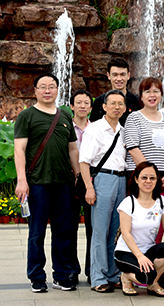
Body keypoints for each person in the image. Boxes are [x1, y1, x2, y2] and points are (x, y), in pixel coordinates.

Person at [14, 73, 80, 293]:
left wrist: (78, 176)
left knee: (63, 232)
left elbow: (73, 149)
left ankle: (61, 276)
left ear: (57, 90)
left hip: (63, 183)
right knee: (37, 233)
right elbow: (19, 149)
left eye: (51, 86)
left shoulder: (65, 115)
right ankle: (36, 276)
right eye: (42, 87)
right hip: (37, 183)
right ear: (35, 91)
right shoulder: (27, 116)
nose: (47, 90)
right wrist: (22, 180)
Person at [78, 89, 127, 293]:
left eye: (120, 104)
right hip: (103, 179)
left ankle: (113, 275)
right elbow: (83, 161)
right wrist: (89, 188)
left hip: (121, 180)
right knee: (99, 231)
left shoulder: (123, 130)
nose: (117, 107)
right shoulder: (95, 129)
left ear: (125, 108)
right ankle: (98, 277)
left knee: (116, 231)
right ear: (104, 106)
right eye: (113, 103)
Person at [114, 162, 164, 297]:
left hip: (148, 250)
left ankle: (153, 283)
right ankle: (126, 277)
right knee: (146, 276)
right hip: (127, 252)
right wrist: (140, 256)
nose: (148, 181)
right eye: (144, 177)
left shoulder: (161, 201)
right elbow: (125, 233)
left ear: (157, 180)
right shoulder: (128, 203)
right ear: (136, 179)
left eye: (152, 178)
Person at [123, 77, 164, 187]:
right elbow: (132, 148)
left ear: (161, 94)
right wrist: (151, 174)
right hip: (139, 175)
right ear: (141, 96)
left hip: (163, 177)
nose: (152, 95)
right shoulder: (134, 117)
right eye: (147, 92)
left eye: (156, 91)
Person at [70, 89, 93, 283]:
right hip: (70, 183)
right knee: (69, 227)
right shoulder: (64, 128)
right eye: (79, 102)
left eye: (86, 103)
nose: (82, 106)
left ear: (91, 107)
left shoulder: (97, 129)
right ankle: (71, 269)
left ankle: (92, 269)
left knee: (93, 228)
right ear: (72, 106)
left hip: (92, 183)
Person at [90, 57, 140, 125]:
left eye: (122, 74)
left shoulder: (137, 102)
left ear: (128, 76)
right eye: (115, 75)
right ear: (108, 76)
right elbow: (93, 126)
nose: (119, 79)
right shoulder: (99, 101)